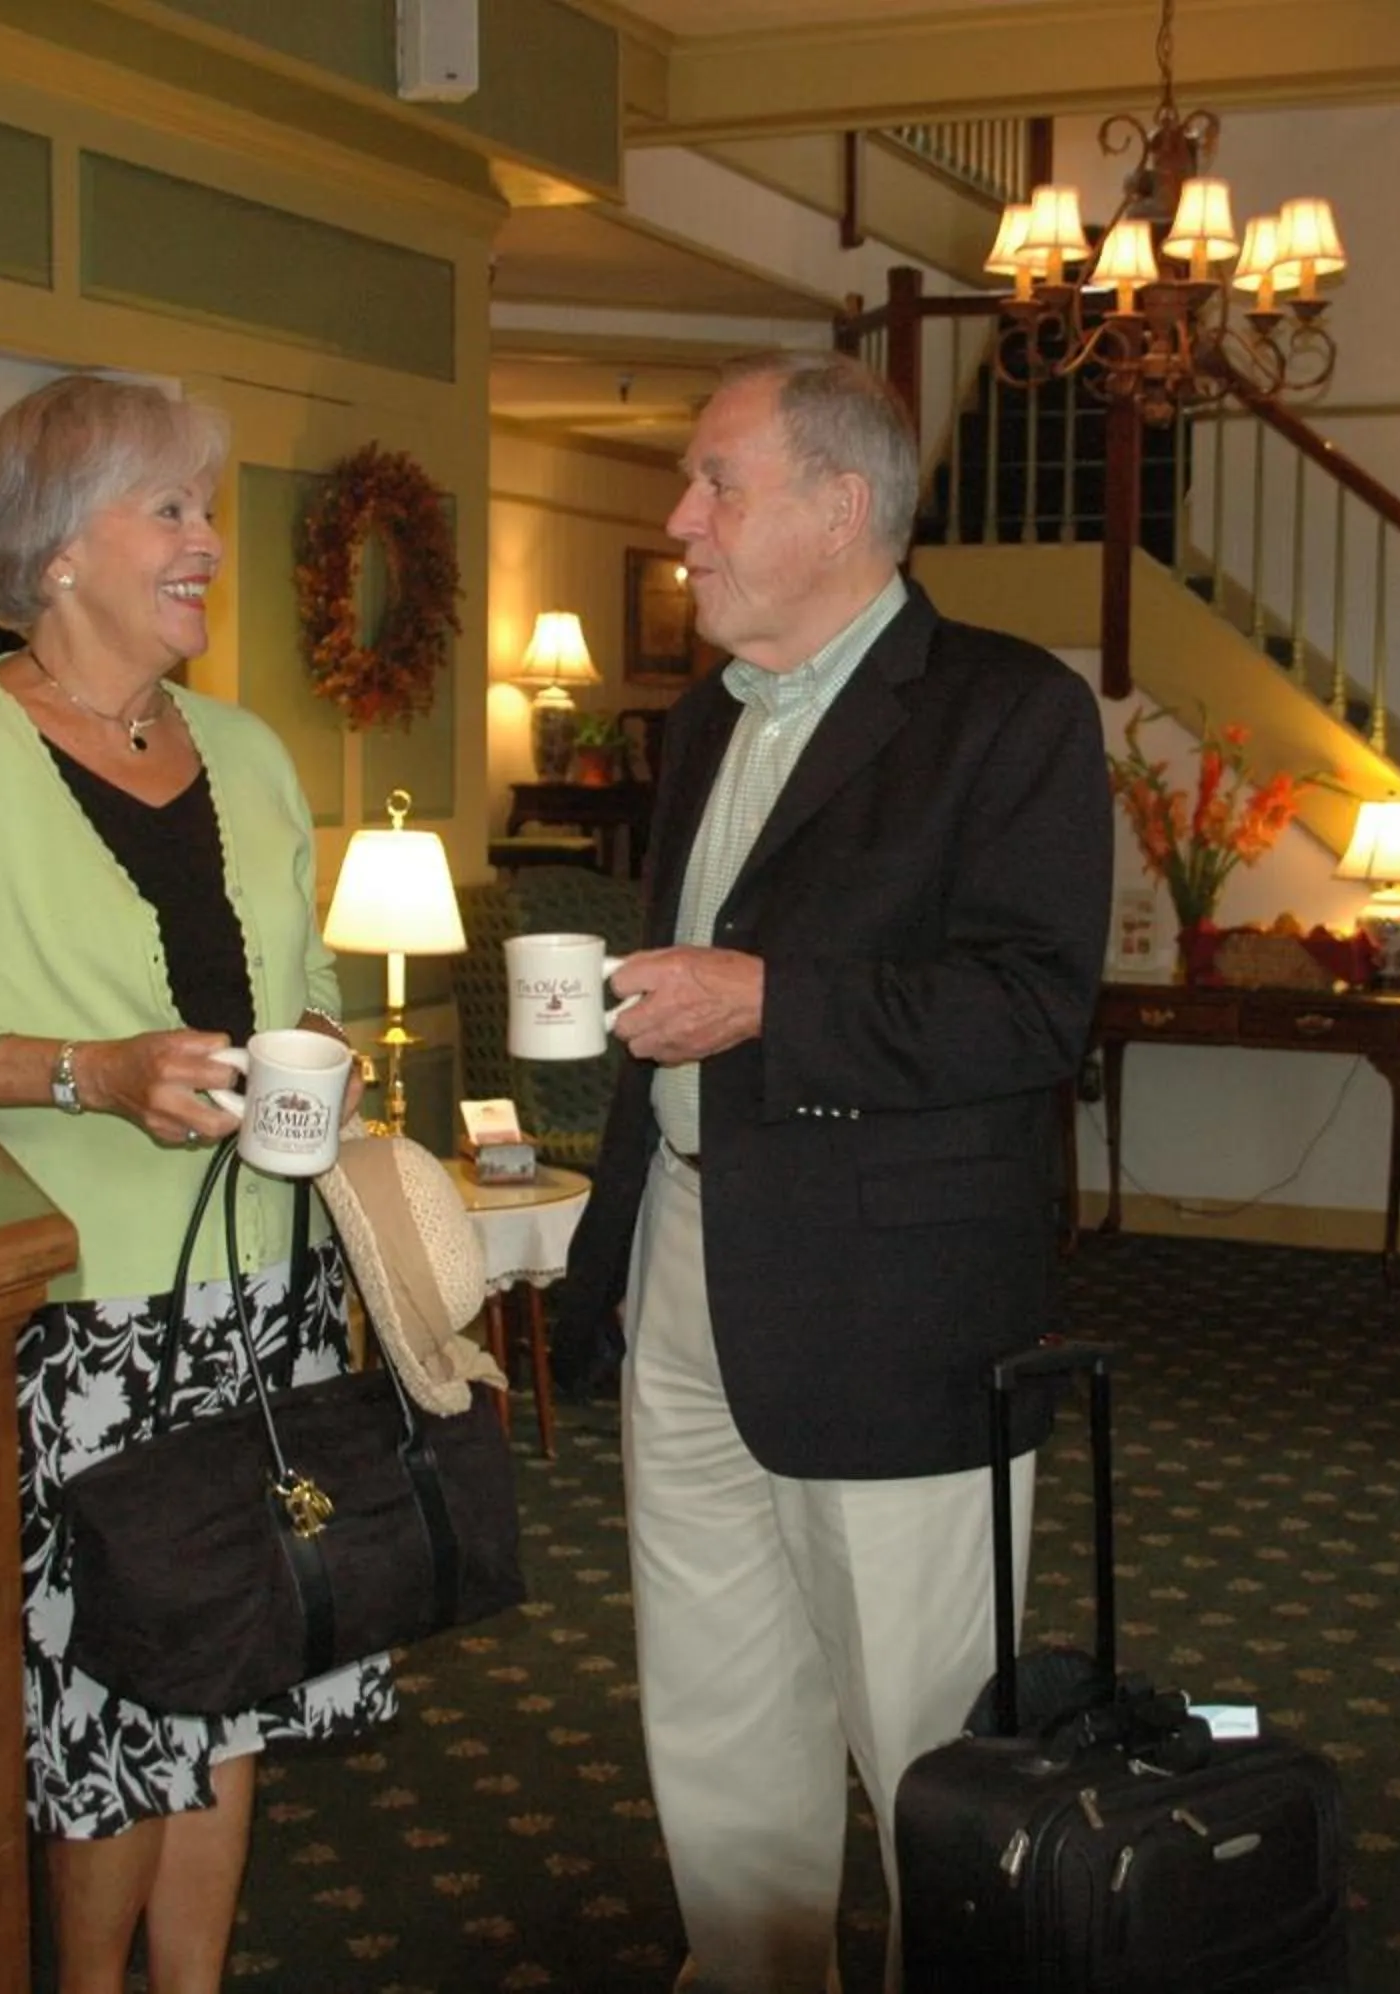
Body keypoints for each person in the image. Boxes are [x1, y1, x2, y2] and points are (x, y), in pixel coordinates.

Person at [0, 373, 387, 1994]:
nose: (212, 543)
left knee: (233, 1697)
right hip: (79, 1313)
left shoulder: (254, 749)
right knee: (108, 1721)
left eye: (209, 507)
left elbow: (308, 968)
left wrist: (323, 1041)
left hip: (264, 1295)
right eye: (176, 511)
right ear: (59, 550)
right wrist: (93, 1071)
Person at [553, 349, 1112, 1992]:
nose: (681, 520)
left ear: (843, 507)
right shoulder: (701, 724)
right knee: (716, 1711)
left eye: (718, 483)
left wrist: (768, 1000)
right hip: (691, 1275)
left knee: (928, 1746)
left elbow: (1032, 1007)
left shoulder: (1008, 710)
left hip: (899, 1315)